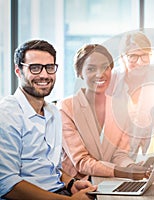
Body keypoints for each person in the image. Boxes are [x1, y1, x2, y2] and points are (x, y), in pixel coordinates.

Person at [0, 39, 96, 200]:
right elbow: (7, 184)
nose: (44, 75)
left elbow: (52, 168)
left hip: (59, 192)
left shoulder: (52, 111)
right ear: (18, 71)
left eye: (49, 68)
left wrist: (72, 183)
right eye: (35, 68)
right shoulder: (7, 115)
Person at [58, 44, 149, 180]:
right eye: (91, 69)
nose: (100, 74)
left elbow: (119, 154)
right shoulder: (66, 108)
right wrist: (123, 172)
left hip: (108, 182)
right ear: (79, 73)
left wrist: (130, 166)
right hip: (76, 185)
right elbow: (81, 161)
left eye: (105, 67)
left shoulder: (120, 107)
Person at [108, 31, 154, 161]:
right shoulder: (111, 83)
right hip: (112, 161)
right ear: (122, 58)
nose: (140, 62)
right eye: (133, 56)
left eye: (144, 55)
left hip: (143, 160)